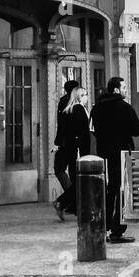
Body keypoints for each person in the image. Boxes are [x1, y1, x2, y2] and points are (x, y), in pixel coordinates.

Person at [90, 77, 139, 243]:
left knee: (108, 190)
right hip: (121, 152)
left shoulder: (96, 108)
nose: (126, 89)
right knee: (121, 189)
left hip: (103, 153)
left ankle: (103, 227)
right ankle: (117, 229)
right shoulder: (124, 107)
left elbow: (93, 129)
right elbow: (136, 129)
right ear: (117, 90)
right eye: (124, 87)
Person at [53, 85, 91, 220]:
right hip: (79, 150)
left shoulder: (68, 109)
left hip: (70, 148)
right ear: (79, 96)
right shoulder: (79, 109)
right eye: (85, 94)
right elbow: (84, 132)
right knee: (80, 181)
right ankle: (62, 202)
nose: (87, 97)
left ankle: (69, 204)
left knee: (77, 180)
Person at [53, 78, 81, 210]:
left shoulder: (64, 101)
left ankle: (71, 200)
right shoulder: (74, 102)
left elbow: (61, 125)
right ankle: (72, 200)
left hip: (66, 142)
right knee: (69, 171)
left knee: (61, 169)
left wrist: (58, 142)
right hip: (72, 142)